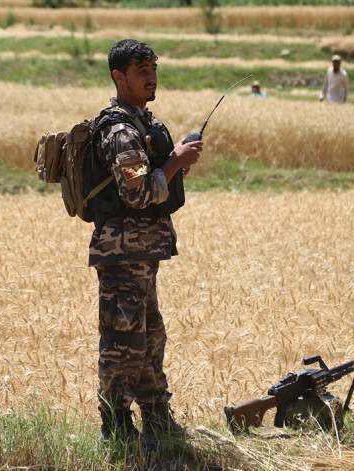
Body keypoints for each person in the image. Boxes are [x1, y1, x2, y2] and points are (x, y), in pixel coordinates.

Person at [88, 39, 203, 448]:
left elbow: (149, 186)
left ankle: (157, 419)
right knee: (123, 342)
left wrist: (172, 163)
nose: (152, 77)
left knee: (150, 336)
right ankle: (116, 430)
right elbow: (136, 195)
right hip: (122, 254)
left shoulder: (140, 124)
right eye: (142, 71)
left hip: (141, 252)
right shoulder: (120, 131)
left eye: (154, 69)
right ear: (119, 77)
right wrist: (175, 162)